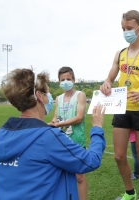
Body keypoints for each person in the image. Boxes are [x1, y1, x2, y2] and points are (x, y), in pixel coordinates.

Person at [0, 68, 106, 200]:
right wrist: (97, 128)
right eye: (47, 93)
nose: (49, 98)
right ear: (39, 96)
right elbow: (91, 161)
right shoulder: (48, 138)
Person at [100, 10, 139, 200]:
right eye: (123, 28)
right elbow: (109, 78)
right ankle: (130, 192)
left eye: (129, 28)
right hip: (121, 109)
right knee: (119, 156)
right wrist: (106, 83)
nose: (126, 31)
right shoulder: (119, 54)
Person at [50, 66, 88, 200]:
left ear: (74, 79)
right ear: (59, 82)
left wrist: (59, 124)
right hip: (61, 141)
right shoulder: (58, 98)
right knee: (61, 175)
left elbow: (79, 117)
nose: (65, 81)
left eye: (68, 79)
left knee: (79, 176)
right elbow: (56, 117)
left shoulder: (80, 95)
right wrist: (52, 123)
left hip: (77, 141)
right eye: (62, 79)